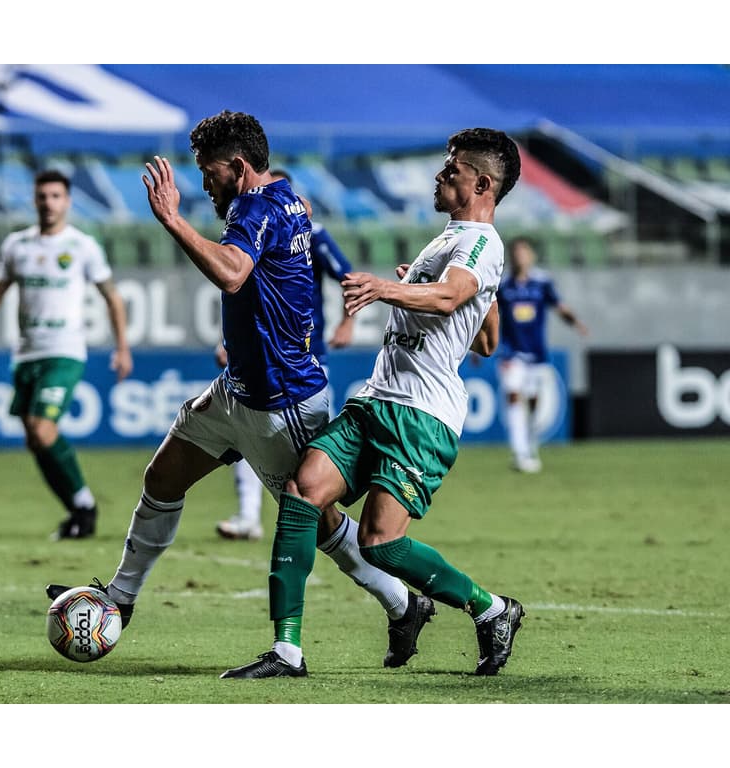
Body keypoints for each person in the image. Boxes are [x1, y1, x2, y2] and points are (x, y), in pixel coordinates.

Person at [47, 111, 419, 666]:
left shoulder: (253, 205)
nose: (204, 184)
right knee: (163, 477)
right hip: (237, 389)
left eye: (209, 171)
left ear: (240, 167)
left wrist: (173, 221)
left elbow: (232, 273)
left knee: (316, 522)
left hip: (281, 400)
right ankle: (120, 599)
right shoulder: (286, 194)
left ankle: (400, 602)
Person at [223, 127, 526, 679]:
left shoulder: (480, 243)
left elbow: (453, 296)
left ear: (482, 183)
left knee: (381, 543)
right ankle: (286, 649)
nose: (440, 175)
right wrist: (467, 291)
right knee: (301, 492)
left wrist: (392, 289)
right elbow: (483, 338)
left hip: (422, 415)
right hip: (377, 398)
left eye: (452, 169)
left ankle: (492, 609)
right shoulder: (448, 242)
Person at [0, 169, 132, 540]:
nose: (48, 203)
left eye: (56, 196)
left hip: (64, 351)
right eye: (42, 196)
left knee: (43, 428)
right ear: (35, 200)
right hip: (26, 354)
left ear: (67, 201)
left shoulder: (82, 246)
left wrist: (122, 347)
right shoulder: (17, 246)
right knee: (34, 439)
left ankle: (85, 505)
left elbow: (112, 296)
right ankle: (77, 509)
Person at [215, 168, 355, 542]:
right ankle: (248, 516)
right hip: (259, 359)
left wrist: (347, 323)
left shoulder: (313, 233)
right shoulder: (250, 230)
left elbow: (348, 276)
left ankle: (329, 529)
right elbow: (246, 296)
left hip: (306, 358)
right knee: (245, 438)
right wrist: (226, 342)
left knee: (310, 461)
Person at [496, 236, 588, 473]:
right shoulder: (503, 286)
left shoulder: (542, 283)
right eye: (516, 253)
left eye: (524, 252)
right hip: (511, 352)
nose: (520, 257)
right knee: (514, 396)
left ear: (531, 256)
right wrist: (477, 344)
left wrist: (576, 323)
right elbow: (489, 316)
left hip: (537, 353)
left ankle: (530, 444)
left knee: (534, 403)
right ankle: (519, 452)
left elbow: (560, 307)